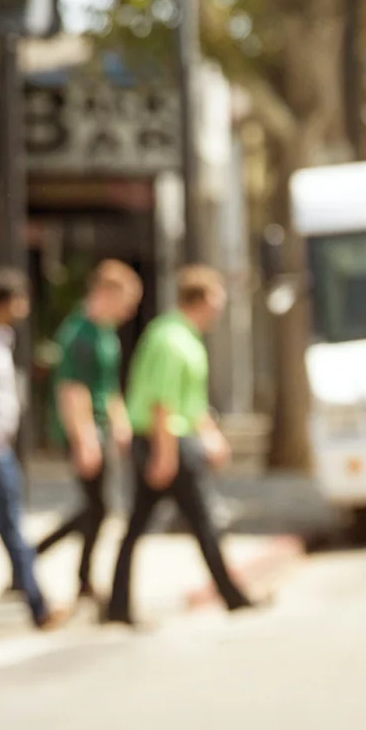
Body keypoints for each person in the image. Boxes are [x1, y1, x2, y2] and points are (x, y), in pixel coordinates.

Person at [103, 265, 255, 627]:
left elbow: (191, 401)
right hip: (166, 442)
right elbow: (163, 403)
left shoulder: (183, 335)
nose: (220, 308)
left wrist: (210, 434)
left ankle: (118, 605)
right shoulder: (171, 339)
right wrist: (165, 454)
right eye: (216, 299)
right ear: (200, 299)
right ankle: (232, 596)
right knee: (201, 521)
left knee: (145, 524)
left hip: (173, 440)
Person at [32, 259, 143, 603]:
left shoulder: (105, 332)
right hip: (85, 429)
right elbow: (72, 389)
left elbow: (108, 386)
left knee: (97, 506)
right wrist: (84, 438)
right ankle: (72, 575)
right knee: (99, 506)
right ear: (105, 293)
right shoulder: (79, 332)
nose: (128, 311)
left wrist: (120, 422)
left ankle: (36, 557)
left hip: (101, 426)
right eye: (125, 301)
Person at [0, 268, 65, 631]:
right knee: (12, 524)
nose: (25, 306)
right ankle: (39, 606)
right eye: (20, 298)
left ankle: (35, 599)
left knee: (10, 524)